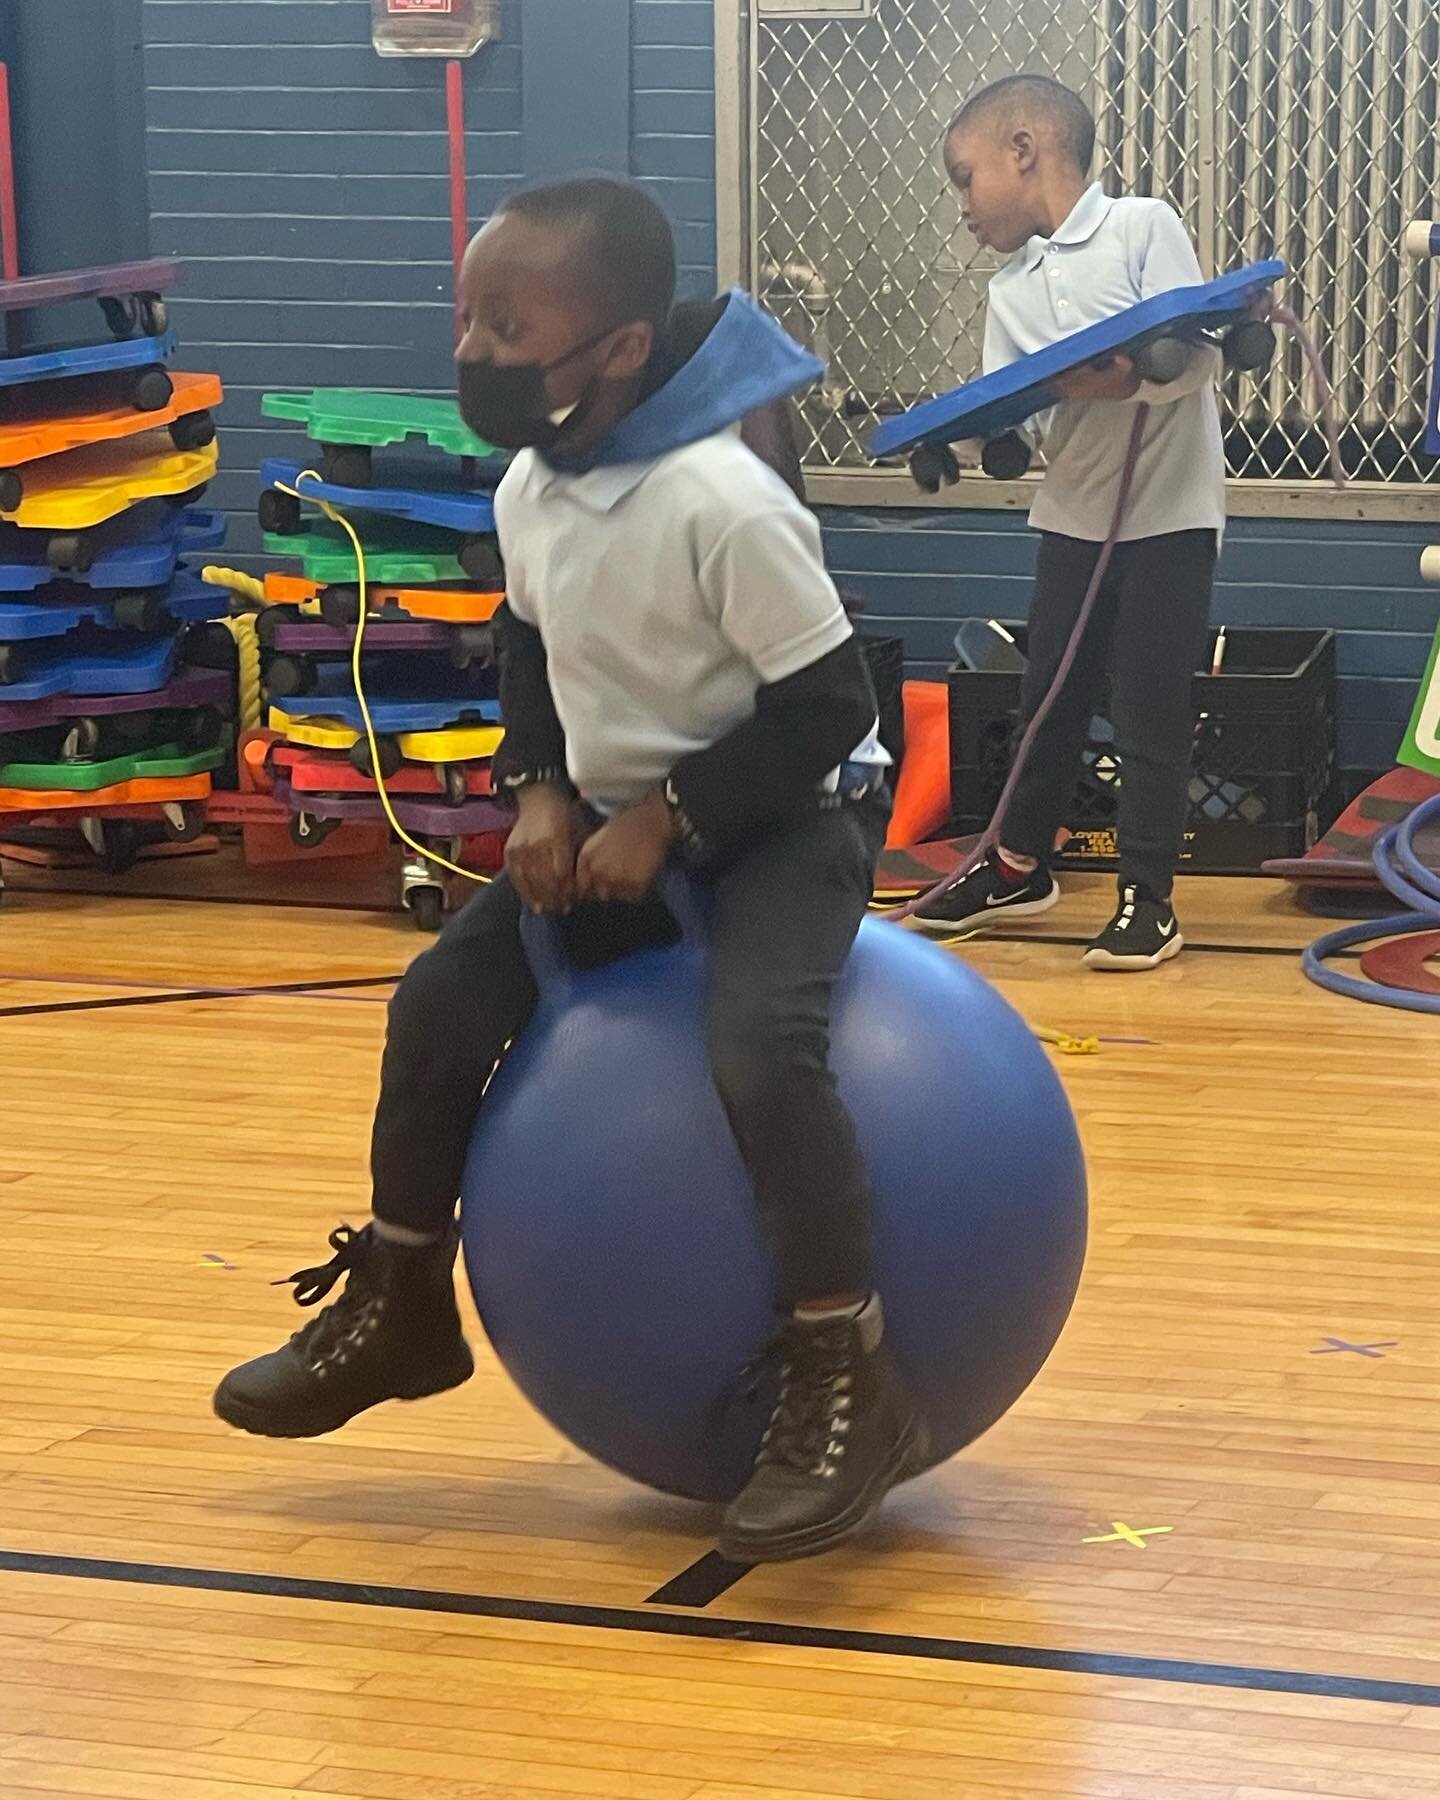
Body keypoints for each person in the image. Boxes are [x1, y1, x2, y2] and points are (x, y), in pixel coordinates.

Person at [214, 175, 925, 1563]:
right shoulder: (535, 480)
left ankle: (847, 1367)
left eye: (509, 323)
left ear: (617, 352)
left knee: (762, 1053)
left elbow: (832, 705)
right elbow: (530, 643)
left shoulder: (723, 498)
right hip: (609, 818)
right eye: (467, 316)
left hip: (789, 816)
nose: (474, 351)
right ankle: (407, 1300)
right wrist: (537, 787)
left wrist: (674, 814)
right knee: (434, 1009)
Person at [913, 75, 1225, 970]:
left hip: (1168, 514)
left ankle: (1147, 898)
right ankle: (1016, 864)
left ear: (1024, 150)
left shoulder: (1140, 225)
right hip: (1075, 515)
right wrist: (964, 441)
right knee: (1048, 697)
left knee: (1148, 707)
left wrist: (1130, 377)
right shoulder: (1011, 289)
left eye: (965, 179)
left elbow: (1193, 357)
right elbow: (1019, 415)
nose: (963, 207)